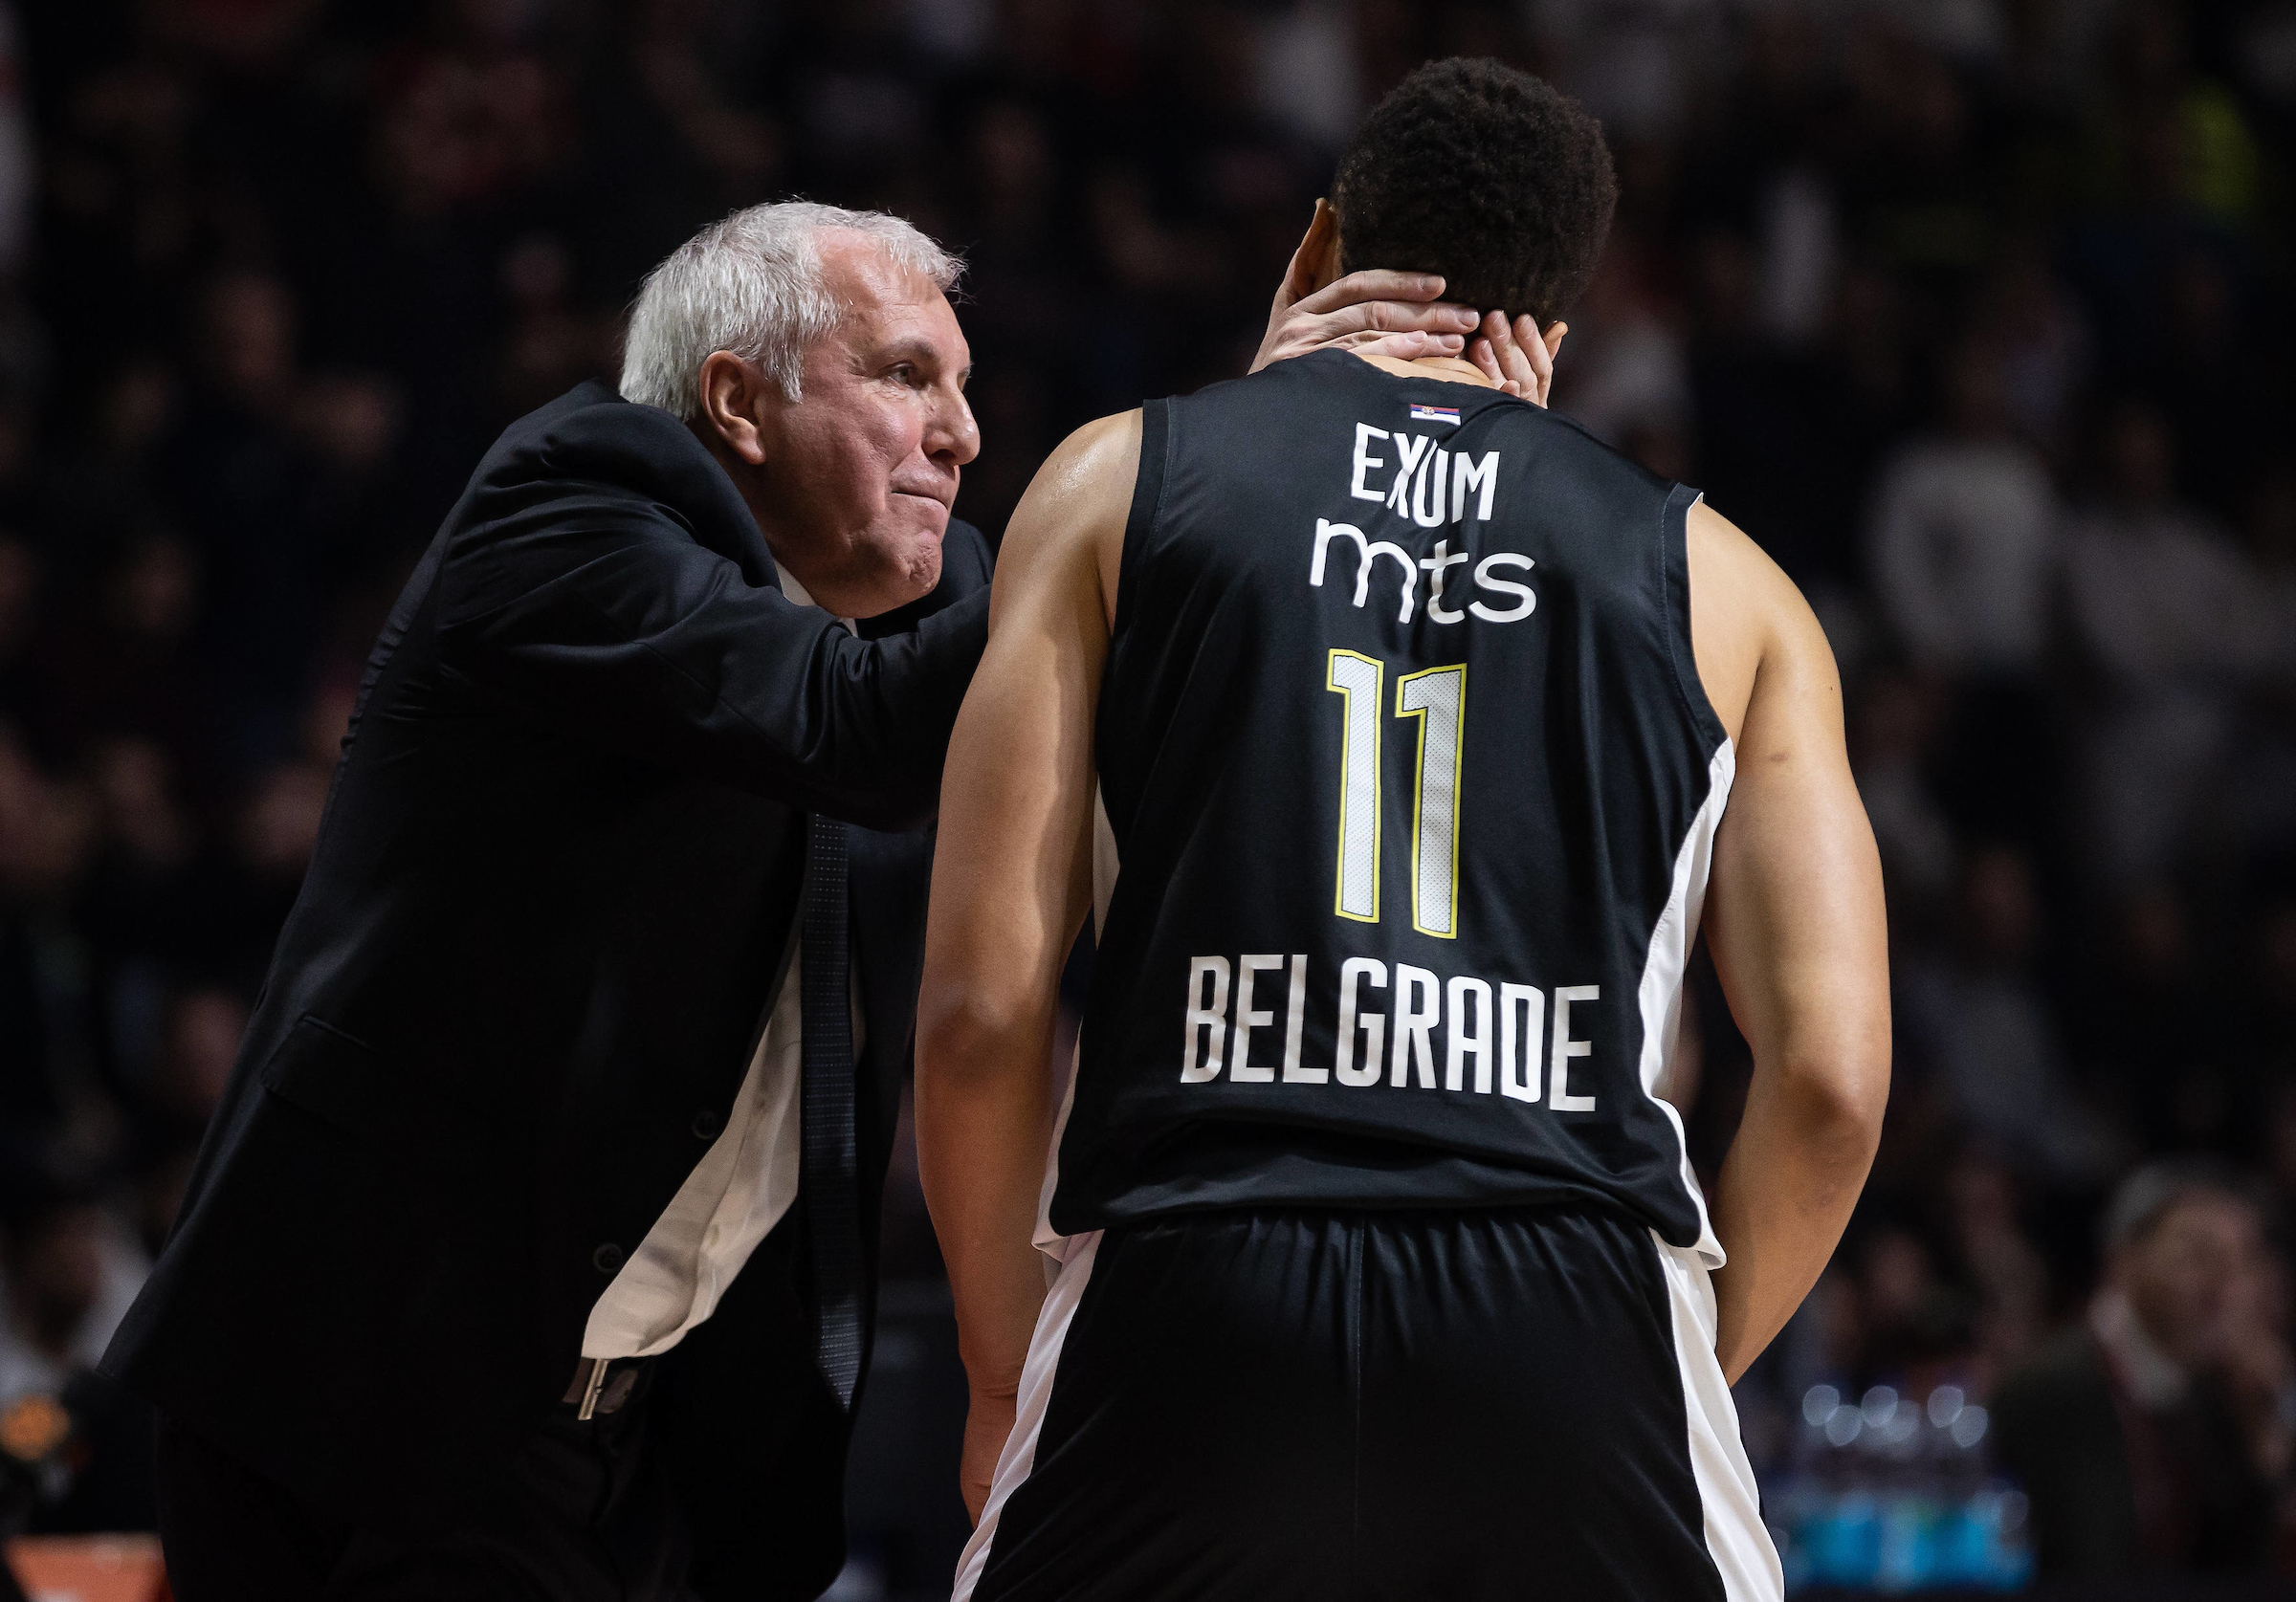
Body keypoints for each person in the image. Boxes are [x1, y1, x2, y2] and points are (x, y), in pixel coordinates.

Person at [97, 199, 1476, 1601]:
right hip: (385, 1404)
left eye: (965, 385)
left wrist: (1248, 472)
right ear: (736, 400)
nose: (964, 433)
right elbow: (861, 733)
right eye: (904, 374)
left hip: (629, 1451)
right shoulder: (570, 501)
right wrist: (1168, 481)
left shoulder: (822, 637)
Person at [917, 59, 1891, 1601]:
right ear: (1563, 331)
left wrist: (997, 1372)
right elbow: (1833, 1084)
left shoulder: (1119, 482)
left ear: (1312, 251)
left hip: (1193, 1278)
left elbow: (980, 1014)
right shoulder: (1737, 586)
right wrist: (1670, 1353)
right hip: (1567, 1275)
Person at [1993, 1160, 2293, 1580]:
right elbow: (2086, 1571)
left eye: (2241, 1259)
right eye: (2198, 1256)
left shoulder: (2214, 1395)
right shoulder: (2055, 1389)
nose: (2225, 1285)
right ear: (2122, 1259)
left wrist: (2259, 1432)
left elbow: (2240, 1568)